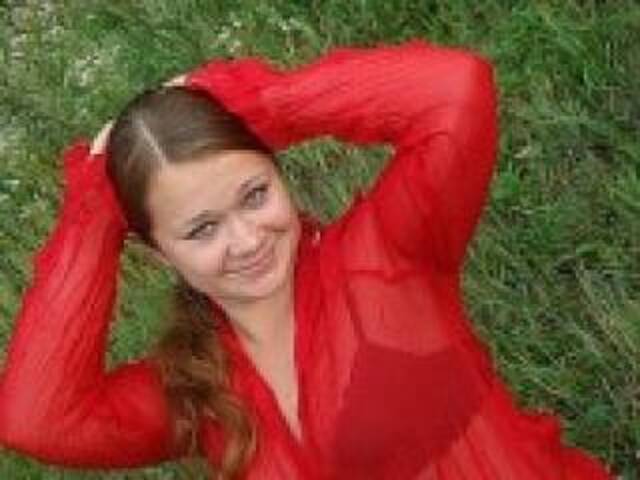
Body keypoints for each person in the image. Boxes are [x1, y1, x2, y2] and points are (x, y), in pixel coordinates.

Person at [0, 40, 613, 479]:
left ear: (277, 168)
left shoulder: (386, 255)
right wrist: (94, 211)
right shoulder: (196, 387)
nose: (248, 240)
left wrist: (260, 102)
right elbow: (36, 420)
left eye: (255, 195)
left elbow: (456, 91)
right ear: (157, 250)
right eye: (203, 229)